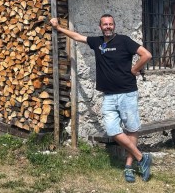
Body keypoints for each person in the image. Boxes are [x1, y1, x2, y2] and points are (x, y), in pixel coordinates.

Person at [50, 14, 153, 183]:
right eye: (105, 24)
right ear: (100, 27)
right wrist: (59, 28)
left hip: (127, 93)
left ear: (114, 26)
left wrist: (134, 69)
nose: (108, 27)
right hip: (109, 95)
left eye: (110, 24)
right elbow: (77, 36)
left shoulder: (124, 41)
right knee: (113, 130)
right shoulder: (97, 42)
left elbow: (146, 55)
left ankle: (128, 167)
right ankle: (142, 158)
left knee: (131, 129)